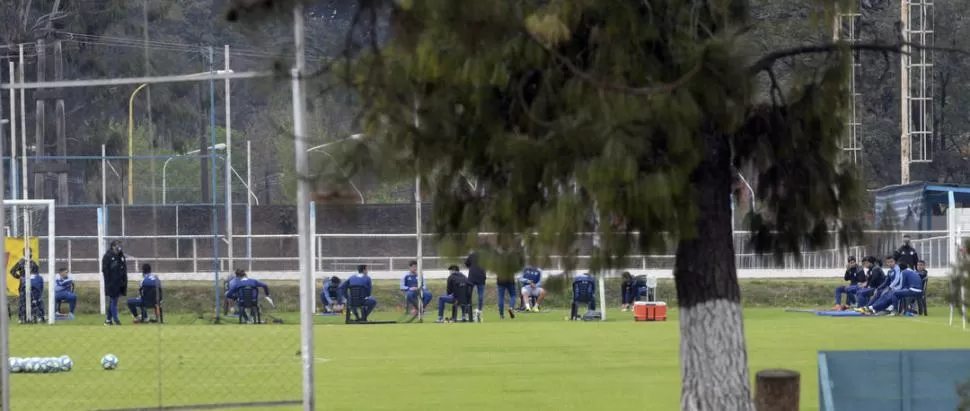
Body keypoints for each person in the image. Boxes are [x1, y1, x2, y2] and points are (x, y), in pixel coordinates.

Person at [10, 249, 41, 323]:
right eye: (27, 252)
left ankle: (34, 317)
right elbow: (12, 271)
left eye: (30, 252)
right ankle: (21, 318)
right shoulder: (21, 263)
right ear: (24, 253)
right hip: (23, 285)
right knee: (22, 301)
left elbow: (37, 274)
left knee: (33, 301)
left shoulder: (33, 263)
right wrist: (19, 277)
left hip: (33, 285)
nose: (29, 254)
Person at [102, 240, 128, 326]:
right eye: (117, 245)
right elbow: (105, 271)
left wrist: (123, 280)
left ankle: (108, 320)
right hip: (112, 283)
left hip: (120, 282)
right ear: (113, 246)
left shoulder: (121, 256)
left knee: (114, 301)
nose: (119, 247)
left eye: (120, 245)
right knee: (113, 300)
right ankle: (116, 320)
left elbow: (124, 269)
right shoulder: (107, 256)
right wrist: (109, 281)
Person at [465, 252, 487, 321]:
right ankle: (479, 310)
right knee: (480, 295)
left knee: (468, 294)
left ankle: (467, 311)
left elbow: (466, 263)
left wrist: (472, 267)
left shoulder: (472, 255)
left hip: (472, 276)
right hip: (481, 276)